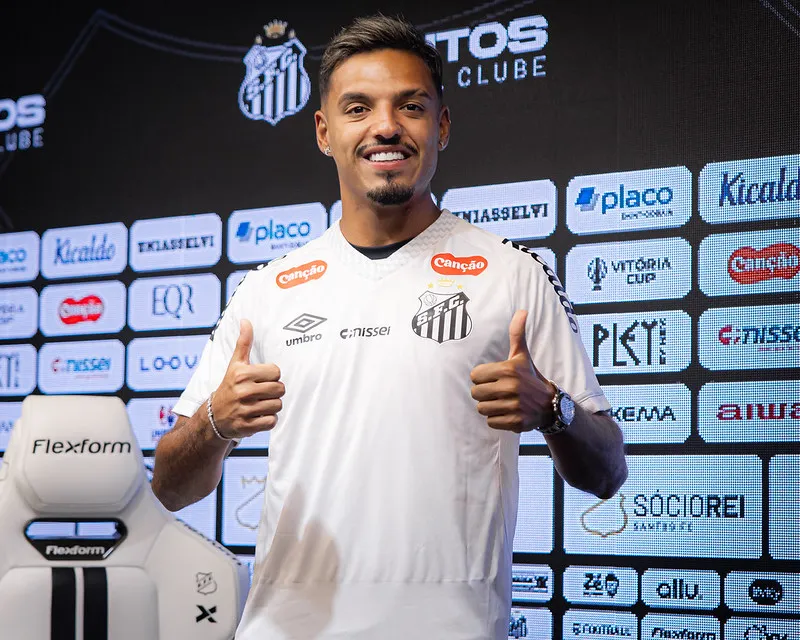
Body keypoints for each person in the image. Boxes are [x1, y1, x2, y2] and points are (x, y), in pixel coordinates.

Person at [152, 14, 627, 639]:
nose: (385, 127)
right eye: (358, 108)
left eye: (410, 106)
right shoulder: (266, 289)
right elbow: (170, 487)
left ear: (442, 126)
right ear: (324, 132)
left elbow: (607, 474)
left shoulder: (513, 274)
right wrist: (215, 421)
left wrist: (553, 410)